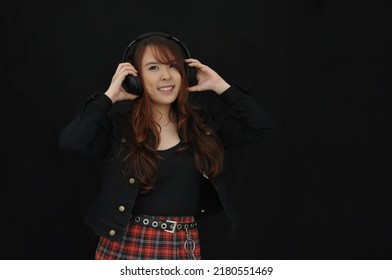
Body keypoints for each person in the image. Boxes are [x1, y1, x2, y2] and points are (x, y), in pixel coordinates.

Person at [58, 32, 274, 260]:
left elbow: (261, 126)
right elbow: (71, 143)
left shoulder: (203, 126)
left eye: (172, 66)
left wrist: (221, 86)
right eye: (153, 68)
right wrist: (109, 96)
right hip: (127, 244)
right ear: (135, 77)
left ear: (185, 74)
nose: (166, 76)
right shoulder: (118, 128)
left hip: (183, 245)